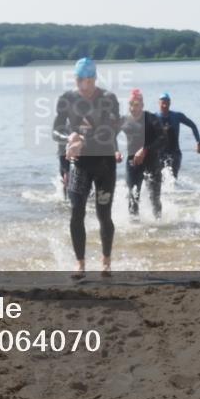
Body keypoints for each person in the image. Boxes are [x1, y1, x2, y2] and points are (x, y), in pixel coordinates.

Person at [52, 57, 120, 277]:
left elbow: (109, 132)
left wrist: (83, 141)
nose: (84, 85)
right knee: (76, 212)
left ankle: (106, 260)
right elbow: (55, 131)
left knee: (103, 214)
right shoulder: (66, 99)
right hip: (79, 164)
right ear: (75, 78)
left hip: (104, 163)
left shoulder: (108, 99)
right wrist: (69, 136)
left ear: (94, 78)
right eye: (80, 79)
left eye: (88, 80)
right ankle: (80, 263)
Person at [119, 88, 165, 218]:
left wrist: (145, 149)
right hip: (133, 163)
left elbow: (163, 139)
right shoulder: (124, 120)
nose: (133, 108)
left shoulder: (152, 119)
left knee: (154, 199)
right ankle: (135, 227)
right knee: (133, 197)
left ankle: (159, 224)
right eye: (130, 104)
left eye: (136, 105)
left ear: (142, 105)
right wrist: (116, 151)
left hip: (152, 162)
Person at [156, 92, 200, 179]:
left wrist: (198, 142)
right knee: (159, 179)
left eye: (166, 102)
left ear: (170, 103)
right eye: (162, 103)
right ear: (158, 103)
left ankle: (175, 192)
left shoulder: (177, 116)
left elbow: (193, 126)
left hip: (175, 153)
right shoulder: (154, 118)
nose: (164, 105)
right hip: (159, 154)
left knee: (173, 178)